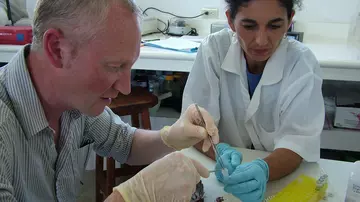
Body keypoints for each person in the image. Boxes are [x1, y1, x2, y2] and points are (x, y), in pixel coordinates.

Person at [0, 0, 219, 201]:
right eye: (114, 67)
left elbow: (124, 143)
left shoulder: (72, 99)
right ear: (57, 49)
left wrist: (171, 137)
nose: (125, 88)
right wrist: (131, 197)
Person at [182, 0, 325, 201]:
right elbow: (193, 126)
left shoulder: (301, 64)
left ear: (290, 20)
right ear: (230, 21)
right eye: (249, 26)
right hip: (221, 180)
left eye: (275, 26)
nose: (261, 41)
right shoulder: (213, 50)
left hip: (281, 180)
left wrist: (264, 169)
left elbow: (298, 141)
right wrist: (220, 153)